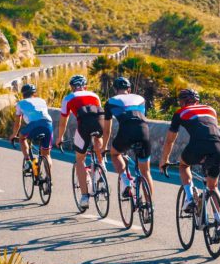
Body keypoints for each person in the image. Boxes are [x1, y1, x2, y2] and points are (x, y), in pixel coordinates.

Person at [160, 88, 220, 213]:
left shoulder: (180, 112)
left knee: (183, 165)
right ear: (197, 100)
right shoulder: (211, 110)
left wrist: (164, 159)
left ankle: (189, 198)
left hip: (198, 145)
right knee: (213, 187)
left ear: (183, 102)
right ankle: (219, 222)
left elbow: (169, 140)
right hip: (217, 146)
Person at [55, 74, 106, 210]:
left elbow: (62, 123)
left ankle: (84, 197)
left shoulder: (68, 98)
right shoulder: (95, 96)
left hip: (83, 127)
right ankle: (102, 166)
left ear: (72, 88)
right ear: (85, 86)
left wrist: (60, 138)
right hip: (99, 124)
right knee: (97, 138)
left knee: (79, 159)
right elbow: (99, 114)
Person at [104, 76, 153, 200]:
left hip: (126, 131)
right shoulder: (141, 98)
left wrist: (104, 146)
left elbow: (107, 129)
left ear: (115, 89)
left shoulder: (111, 101)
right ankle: (149, 207)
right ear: (129, 89)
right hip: (143, 131)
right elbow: (142, 116)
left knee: (115, 154)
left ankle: (126, 181)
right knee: (146, 172)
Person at [9, 84, 53, 171]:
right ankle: (49, 181)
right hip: (48, 124)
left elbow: (18, 123)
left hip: (34, 125)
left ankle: (28, 161)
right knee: (46, 155)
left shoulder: (20, 104)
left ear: (23, 94)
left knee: (22, 138)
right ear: (34, 93)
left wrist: (14, 135)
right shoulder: (42, 100)